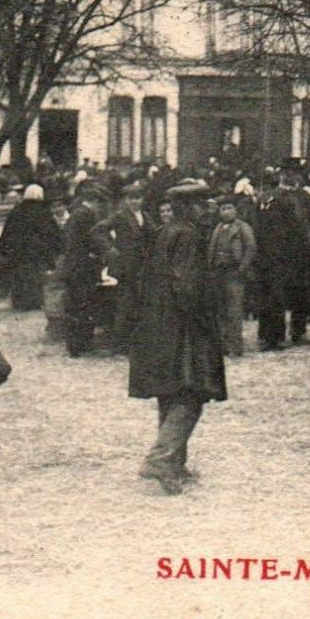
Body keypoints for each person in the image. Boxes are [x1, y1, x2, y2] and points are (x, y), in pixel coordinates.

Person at [130, 181, 226, 495]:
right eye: (201, 204)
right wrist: (206, 318)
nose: (207, 209)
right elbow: (187, 286)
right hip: (184, 326)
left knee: (170, 393)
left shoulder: (163, 231)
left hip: (158, 324)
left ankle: (174, 465)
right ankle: (161, 459)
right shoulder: (188, 235)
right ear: (188, 207)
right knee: (192, 393)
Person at [251, 157, 310, 350]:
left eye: (295, 173)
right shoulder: (269, 197)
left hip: (300, 253)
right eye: (287, 173)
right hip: (274, 254)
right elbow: (260, 226)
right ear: (281, 175)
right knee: (273, 295)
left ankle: (298, 332)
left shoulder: (305, 197)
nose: (291, 176)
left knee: (300, 293)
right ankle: (272, 336)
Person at [60, 183, 114, 357]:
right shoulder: (87, 216)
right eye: (99, 203)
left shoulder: (76, 214)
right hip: (82, 268)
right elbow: (92, 240)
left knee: (75, 305)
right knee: (83, 305)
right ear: (93, 202)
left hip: (73, 266)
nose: (101, 208)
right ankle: (79, 345)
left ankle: (76, 344)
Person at [0, 184, 62, 311]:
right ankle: (34, 302)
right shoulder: (42, 212)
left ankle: (19, 302)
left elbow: (7, 232)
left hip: (17, 250)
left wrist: (1, 250)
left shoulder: (16, 211)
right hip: (36, 251)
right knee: (34, 277)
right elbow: (51, 232)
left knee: (19, 277)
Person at [206, 195, 257, 358]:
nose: (226, 212)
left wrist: (242, 269)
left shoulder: (243, 227)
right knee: (220, 310)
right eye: (223, 209)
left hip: (234, 272)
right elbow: (211, 250)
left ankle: (236, 345)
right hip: (219, 273)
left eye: (229, 208)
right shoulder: (218, 228)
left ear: (236, 210)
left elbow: (250, 248)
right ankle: (223, 345)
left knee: (234, 311)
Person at [109, 179, 155, 353]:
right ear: (125, 200)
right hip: (126, 268)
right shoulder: (120, 216)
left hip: (142, 267)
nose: (134, 201)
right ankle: (119, 344)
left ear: (142, 199)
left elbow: (154, 233)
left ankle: (135, 343)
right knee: (125, 305)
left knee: (139, 304)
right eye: (130, 198)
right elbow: (99, 230)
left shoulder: (145, 215)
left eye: (137, 198)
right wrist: (110, 249)